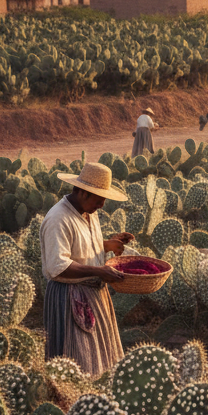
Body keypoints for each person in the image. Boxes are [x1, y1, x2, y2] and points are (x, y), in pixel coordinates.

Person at [40, 161, 134, 376]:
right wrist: (99, 271)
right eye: (99, 198)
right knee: (79, 361)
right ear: (82, 192)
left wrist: (108, 245)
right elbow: (58, 267)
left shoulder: (88, 211)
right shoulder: (58, 219)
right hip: (69, 297)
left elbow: (80, 246)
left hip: (93, 294)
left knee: (99, 358)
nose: (102, 204)